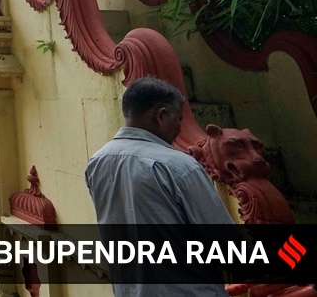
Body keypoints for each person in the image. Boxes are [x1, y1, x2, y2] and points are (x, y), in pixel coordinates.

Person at [85, 76, 235, 296]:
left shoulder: (97, 163)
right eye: (179, 119)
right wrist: (294, 253)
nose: (179, 128)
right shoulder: (179, 167)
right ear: (162, 115)